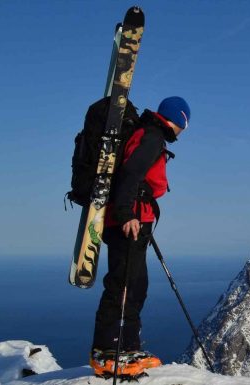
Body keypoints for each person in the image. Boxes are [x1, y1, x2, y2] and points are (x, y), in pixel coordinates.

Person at [89, 96, 190, 379]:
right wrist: (126, 215)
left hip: (136, 219)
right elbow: (130, 175)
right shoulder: (151, 137)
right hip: (129, 221)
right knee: (123, 284)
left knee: (135, 285)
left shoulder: (148, 134)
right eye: (185, 125)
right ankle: (106, 352)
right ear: (179, 119)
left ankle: (127, 347)